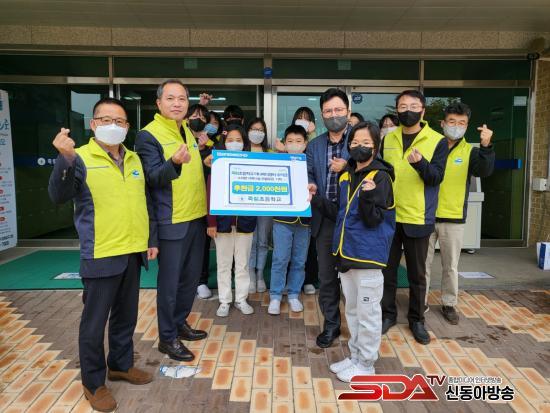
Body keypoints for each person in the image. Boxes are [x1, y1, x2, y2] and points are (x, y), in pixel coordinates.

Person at [48, 98, 156, 412]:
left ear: (127, 127)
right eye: (106, 120)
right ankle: (93, 383)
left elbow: (143, 202)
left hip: (132, 251)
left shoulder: (134, 159)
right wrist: (65, 159)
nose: (113, 126)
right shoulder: (80, 157)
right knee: (94, 324)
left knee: (126, 316)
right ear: (93, 124)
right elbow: (58, 195)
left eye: (119, 121)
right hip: (101, 251)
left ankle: (120, 365)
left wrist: (150, 239)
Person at [311, 121, 395, 382]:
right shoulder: (347, 175)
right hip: (346, 255)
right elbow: (340, 212)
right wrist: (315, 198)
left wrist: (369, 197)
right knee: (353, 312)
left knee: (369, 315)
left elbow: (374, 220)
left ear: (376, 147)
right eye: (355, 142)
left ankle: (367, 365)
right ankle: (356, 356)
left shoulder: (380, 177)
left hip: (367, 257)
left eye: (366, 143)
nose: (360, 147)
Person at [135, 79, 208, 362]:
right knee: (169, 284)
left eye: (182, 99)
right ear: (158, 103)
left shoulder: (186, 130)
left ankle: (179, 323)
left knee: (189, 279)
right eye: (170, 98)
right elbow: (152, 178)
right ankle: (167, 338)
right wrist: (174, 163)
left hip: (195, 218)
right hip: (171, 221)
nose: (177, 103)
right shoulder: (148, 135)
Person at [380, 90, 449, 345]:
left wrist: (420, 163)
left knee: (418, 275)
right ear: (397, 110)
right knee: (386, 272)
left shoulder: (437, 140)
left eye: (413, 106)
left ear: (422, 110)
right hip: (389, 216)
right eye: (402, 106)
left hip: (418, 217)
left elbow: (436, 177)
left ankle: (417, 320)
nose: (407, 110)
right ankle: (387, 314)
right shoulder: (388, 138)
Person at [425, 102, 495, 324]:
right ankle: (419, 302)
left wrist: (486, 146)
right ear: (442, 123)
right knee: (422, 265)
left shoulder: (470, 151)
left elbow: (484, 170)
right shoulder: (431, 145)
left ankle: (449, 303)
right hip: (425, 215)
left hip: (453, 218)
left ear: (467, 126)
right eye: (452, 122)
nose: (456, 126)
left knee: (450, 266)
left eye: (462, 123)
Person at [306, 87, 352, 348]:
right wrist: (311, 184)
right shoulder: (314, 145)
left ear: (348, 111)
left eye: (338, 110)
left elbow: (374, 168)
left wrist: (348, 166)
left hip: (352, 220)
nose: (334, 115)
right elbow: (308, 172)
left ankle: (357, 324)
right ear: (322, 115)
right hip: (324, 217)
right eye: (328, 111)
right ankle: (331, 324)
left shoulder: (360, 139)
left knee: (354, 276)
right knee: (326, 277)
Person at [207, 124, 257, 317]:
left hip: (245, 223)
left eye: (238, 140)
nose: (234, 143)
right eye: (230, 140)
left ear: (244, 143)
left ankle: (241, 299)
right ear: (223, 142)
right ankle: (224, 300)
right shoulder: (217, 165)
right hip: (222, 223)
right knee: (224, 264)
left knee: (243, 264)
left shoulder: (252, 165)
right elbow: (210, 194)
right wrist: (211, 223)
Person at [268, 125, 311, 315]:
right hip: (282, 220)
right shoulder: (277, 161)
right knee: (280, 259)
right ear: (284, 144)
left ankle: (293, 294)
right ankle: (275, 296)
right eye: (290, 141)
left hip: (304, 220)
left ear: (305, 144)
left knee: (300, 260)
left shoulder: (310, 162)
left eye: (298, 141)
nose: (294, 145)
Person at [246, 117, 273, 293]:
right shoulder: (241, 151)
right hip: (246, 204)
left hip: (266, 204)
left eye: (260, 130)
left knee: (263, 241)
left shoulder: (270, 153)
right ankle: (250, 275)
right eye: (253, 129)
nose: (257, 133)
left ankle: (260, 274)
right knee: (250, 241)